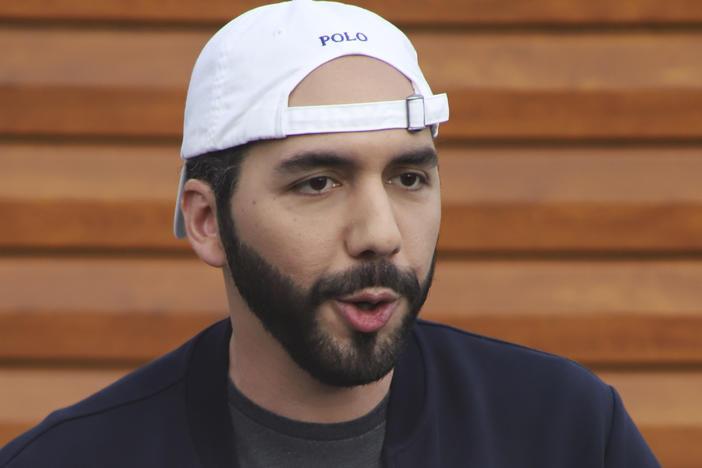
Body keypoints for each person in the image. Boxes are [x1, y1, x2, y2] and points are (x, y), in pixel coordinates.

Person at [0, 1, 661, 466]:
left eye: (408, 178)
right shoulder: (70, 458)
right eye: (317, 183)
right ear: (207, 222)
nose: (380, 235)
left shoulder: (565, 432)